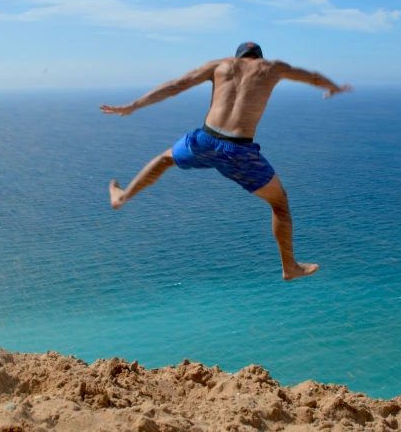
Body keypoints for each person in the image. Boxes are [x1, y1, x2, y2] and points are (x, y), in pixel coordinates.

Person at [100, 42, 352, 281]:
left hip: (205, 141)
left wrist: (132, 106)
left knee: (164, 160)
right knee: (279, 204)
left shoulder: (220, 65)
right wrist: (334, 88)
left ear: (238, 57)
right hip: (239, 151)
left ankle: (122, 197)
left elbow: (176, 85)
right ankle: (290, 267)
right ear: (260, 58)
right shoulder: (273, 67)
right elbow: (314, 76)